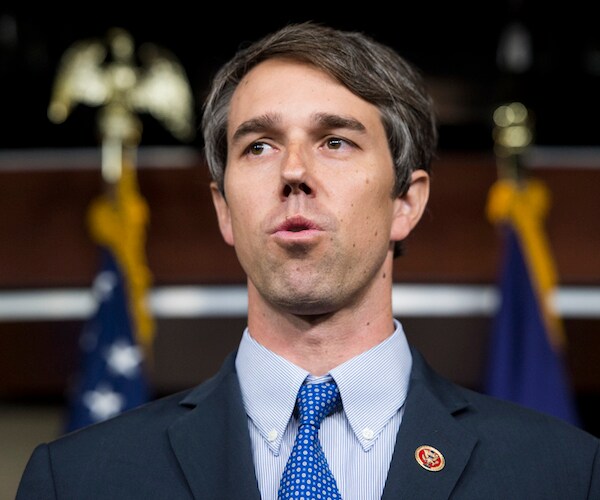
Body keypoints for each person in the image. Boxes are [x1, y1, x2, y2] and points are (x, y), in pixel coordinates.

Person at [17, 21, 600, 500]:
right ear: (224, 210)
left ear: (406, 203)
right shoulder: (78, 480)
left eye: (335, 141)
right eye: (259, 146)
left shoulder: (564, 475)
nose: (293, 171)